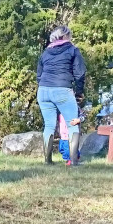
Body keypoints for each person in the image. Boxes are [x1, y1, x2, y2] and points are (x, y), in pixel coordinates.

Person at [35, 25, 86, 165]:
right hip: (62, 89)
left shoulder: (46, 52)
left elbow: (39, 75)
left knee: (49, 126)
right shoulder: (73, 50)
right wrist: (79, 92)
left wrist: (45, 85)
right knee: (72, 124)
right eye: (69, 36)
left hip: (43, 91)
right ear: (65, 37)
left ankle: (48, 161)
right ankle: (74, 162)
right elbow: (80, 73)